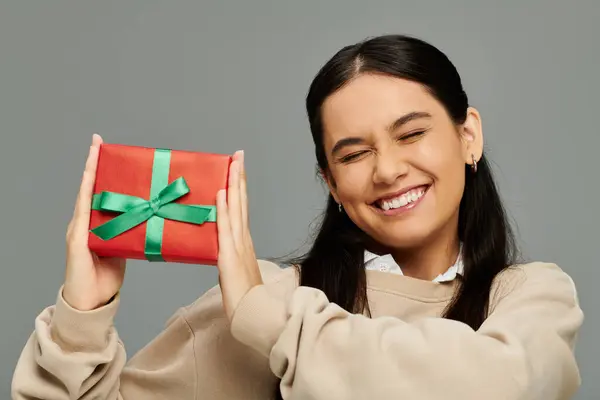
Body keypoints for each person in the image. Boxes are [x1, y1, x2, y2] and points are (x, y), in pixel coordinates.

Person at [12, 34, 584, 400]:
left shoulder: (534, 300)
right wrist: (80, 321)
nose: (387, 170)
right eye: (353, 154)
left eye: (411, 134)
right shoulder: (258, 305)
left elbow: (501, 387)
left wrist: (274, 322)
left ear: (468, 136)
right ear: (331, 182)